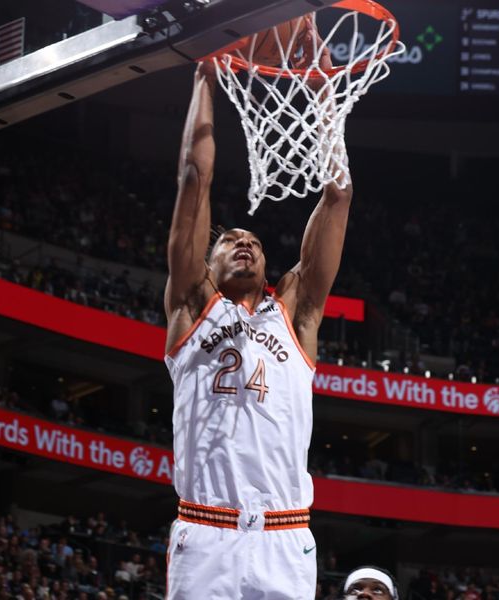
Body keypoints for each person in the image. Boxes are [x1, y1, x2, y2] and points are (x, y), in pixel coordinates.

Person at [163, 16, 352, 600]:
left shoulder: (295, 315)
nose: (243, 243)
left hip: (284, 535)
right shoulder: (191, 307)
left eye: (254, 242)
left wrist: (324, 89)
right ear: (208, 265)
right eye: (228, 241)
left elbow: (338, 191)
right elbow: (195, 177)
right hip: (206, 529)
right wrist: (204, 77)